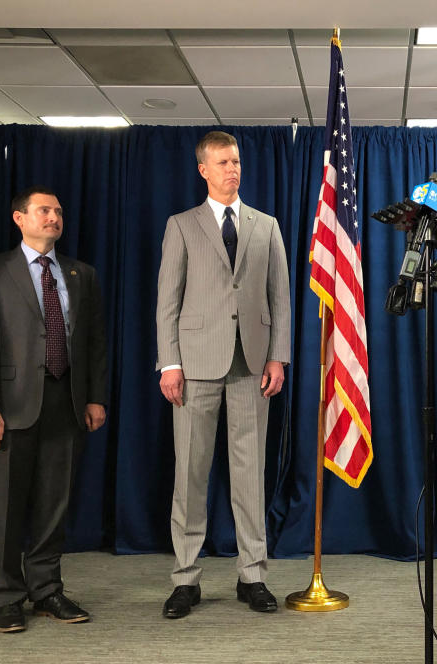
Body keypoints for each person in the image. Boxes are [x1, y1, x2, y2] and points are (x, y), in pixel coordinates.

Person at [155, 131, 291, 618]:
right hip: (194, 367)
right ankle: (186, 579)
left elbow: (281, 297)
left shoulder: (266, 225)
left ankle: (252, 574)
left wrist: (278, 356)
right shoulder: (183, 225)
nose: (232, 169)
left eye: (236, 161)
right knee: (189, 475)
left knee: (249, 475)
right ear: (203, 170)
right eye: (223, 162)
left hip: (252, 366)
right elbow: (167, 301)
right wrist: (169, 362)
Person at [0, 186, 108, 632]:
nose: (53, 218)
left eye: (58, 212)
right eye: (44, 210)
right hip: (11, 405)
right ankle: (7, 595)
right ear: (19, 218)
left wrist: (95, 396)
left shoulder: (81, 273)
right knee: (8, 504)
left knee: (54, 503)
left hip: (65, 401)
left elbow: (94, 344)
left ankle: (46, 590)